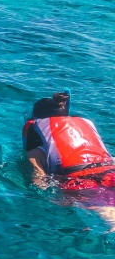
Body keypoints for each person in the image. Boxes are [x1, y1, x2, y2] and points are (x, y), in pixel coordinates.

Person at [23, 91, 115, 226]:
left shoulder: (36, 151)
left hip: (80, 183)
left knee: (109, 216)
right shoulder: (84, 129)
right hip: (110, 173)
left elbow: (39, 179)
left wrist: (44, 198)